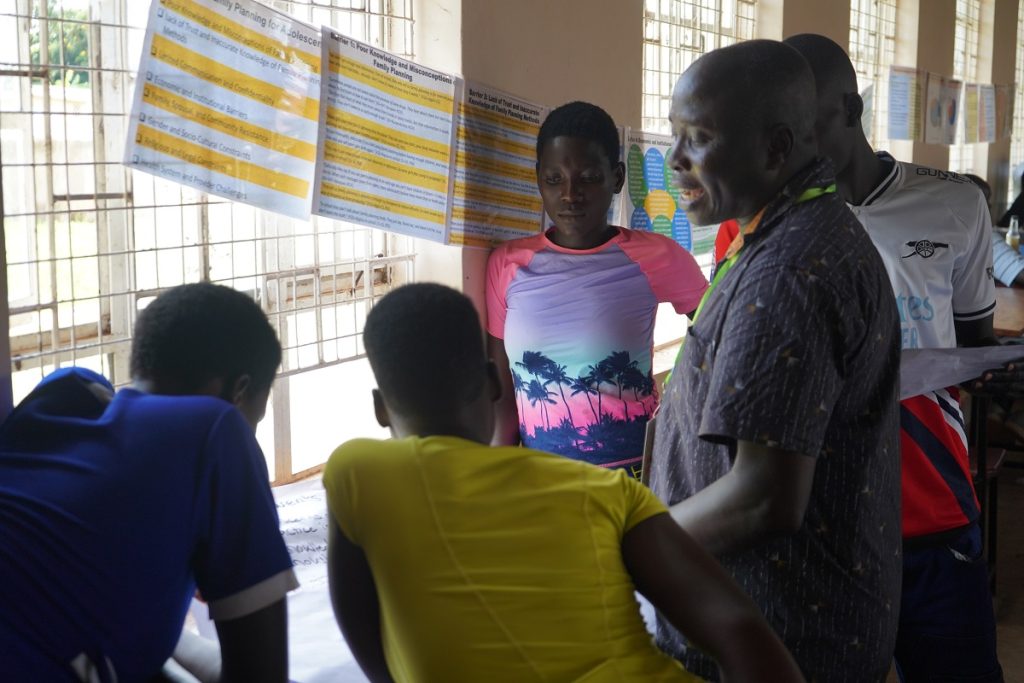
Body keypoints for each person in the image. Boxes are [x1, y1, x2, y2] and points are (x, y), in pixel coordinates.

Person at [324, 283, 804, 683]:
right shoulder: (608, 492)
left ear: (380, 408)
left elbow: (366, 634)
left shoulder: (358, 475)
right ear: (494, 383)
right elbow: (738, 629)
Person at [649, 40, 902, 682]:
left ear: (775, 149)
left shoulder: (790, 270)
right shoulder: (789, 231)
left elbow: (763, 498)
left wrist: (635, 546)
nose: (674, 160)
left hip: (781, 639)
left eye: (698, 139)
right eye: (674, 135)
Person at [786, 33, 1006, 682]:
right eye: (780, 133)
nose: (794, 151)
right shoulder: (768, 221)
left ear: (851, 110)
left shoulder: (955, 204)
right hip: (820, 518)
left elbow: (973, 345)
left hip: (931, 503)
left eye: (808, 127)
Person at [0, 283, 297, 683]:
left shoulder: (65, 392)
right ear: (238, 391)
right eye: (255, 421)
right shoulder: (215, 428)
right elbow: (261, 676)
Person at [486, 101, 708, 478]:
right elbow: (503, 392)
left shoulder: (656, 256)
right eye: (554, 179)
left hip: (634, 478)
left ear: (616, 178)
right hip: (541, 480)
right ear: (538, 179)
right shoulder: (507, 265)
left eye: (588, 177)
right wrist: (496, 475)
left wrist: (685, 399)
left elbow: (724, 329)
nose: (570, 195)